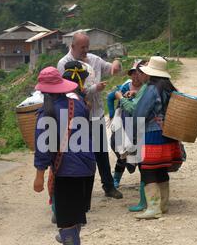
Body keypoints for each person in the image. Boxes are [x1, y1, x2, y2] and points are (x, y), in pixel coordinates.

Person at [33, 67, 96, 245]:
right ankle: (71, 240)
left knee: (66, 214)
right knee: (77, 208)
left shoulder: (46, 114)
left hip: (67, 170)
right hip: (87, 166)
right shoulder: (77, 105)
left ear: (43, 91)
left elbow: (43, 149)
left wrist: (39, 177)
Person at [58, 32, 123, 200]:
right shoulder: (64, 64)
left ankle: (108, 186)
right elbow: (67, 90)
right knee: (80, 153)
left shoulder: (94, 60)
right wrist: (94, 89)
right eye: (82, 47)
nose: (85, 50)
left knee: (101, 151)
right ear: (72, 47)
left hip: (96, 114)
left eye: (87, 47)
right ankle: (82, 191)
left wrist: (116, 63)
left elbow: (111, 68)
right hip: (76, 116)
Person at [132, 56, 185, 220]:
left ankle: (153, 207)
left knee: (148, 170)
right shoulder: (170, 89)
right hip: (168, 133)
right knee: (161, 169)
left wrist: (134, 129)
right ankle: (163, 204)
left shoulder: (151, 89)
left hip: (152, 134)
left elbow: (139, 113)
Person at [107, 60, 146, 189]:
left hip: (141, 125)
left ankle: (144, 182)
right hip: (125, 124)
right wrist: (112, 114)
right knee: (122, 153)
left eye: (138, 73)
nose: (135, 76)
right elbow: (111, 96)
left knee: (141, 155)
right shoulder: (126, 86)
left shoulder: (146, 87)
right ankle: (116, 179)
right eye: (133, 73)